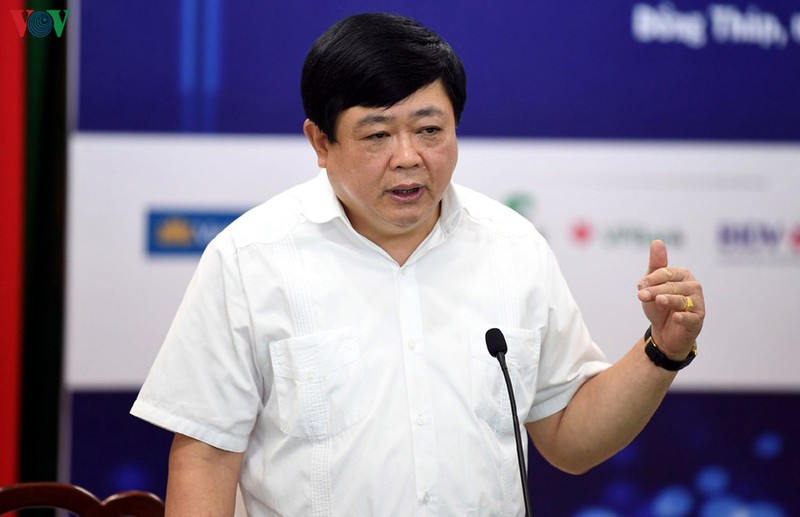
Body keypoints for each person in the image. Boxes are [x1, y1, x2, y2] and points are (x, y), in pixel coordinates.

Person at [131, 12, 705, 516]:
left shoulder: (513, 247)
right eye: (377, 135)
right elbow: (205, 455)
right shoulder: (248, 259)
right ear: (320, 142)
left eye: (430, 131)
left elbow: (569, 438)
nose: (408, 158)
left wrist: (663, 349)